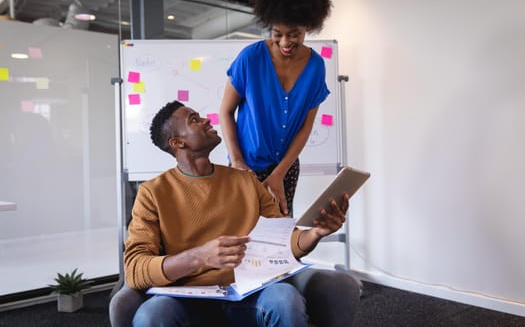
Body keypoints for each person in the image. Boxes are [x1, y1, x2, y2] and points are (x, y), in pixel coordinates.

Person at [124, 100, 360, 327]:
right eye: (194, 119)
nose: (206, 120)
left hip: (250, 293)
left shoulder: (246, 181)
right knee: (151, 315)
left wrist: (316, 233)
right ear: (177, 143)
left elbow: (282, 240)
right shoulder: (152, 193)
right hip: (186, 298)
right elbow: (135, 268)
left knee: (284, 299)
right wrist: (200, 256)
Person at [219, 0, 333, 216]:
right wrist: (237, 162)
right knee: (244, 238)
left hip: (286, 168)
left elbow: (305, 127)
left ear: (308, 27)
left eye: (294, 34)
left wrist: (279, 173)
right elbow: (226, 112)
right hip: (246, 167)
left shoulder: (315, 66)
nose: (285, 42)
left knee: (279, 238)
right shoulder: (250, 58)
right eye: (277, 33)